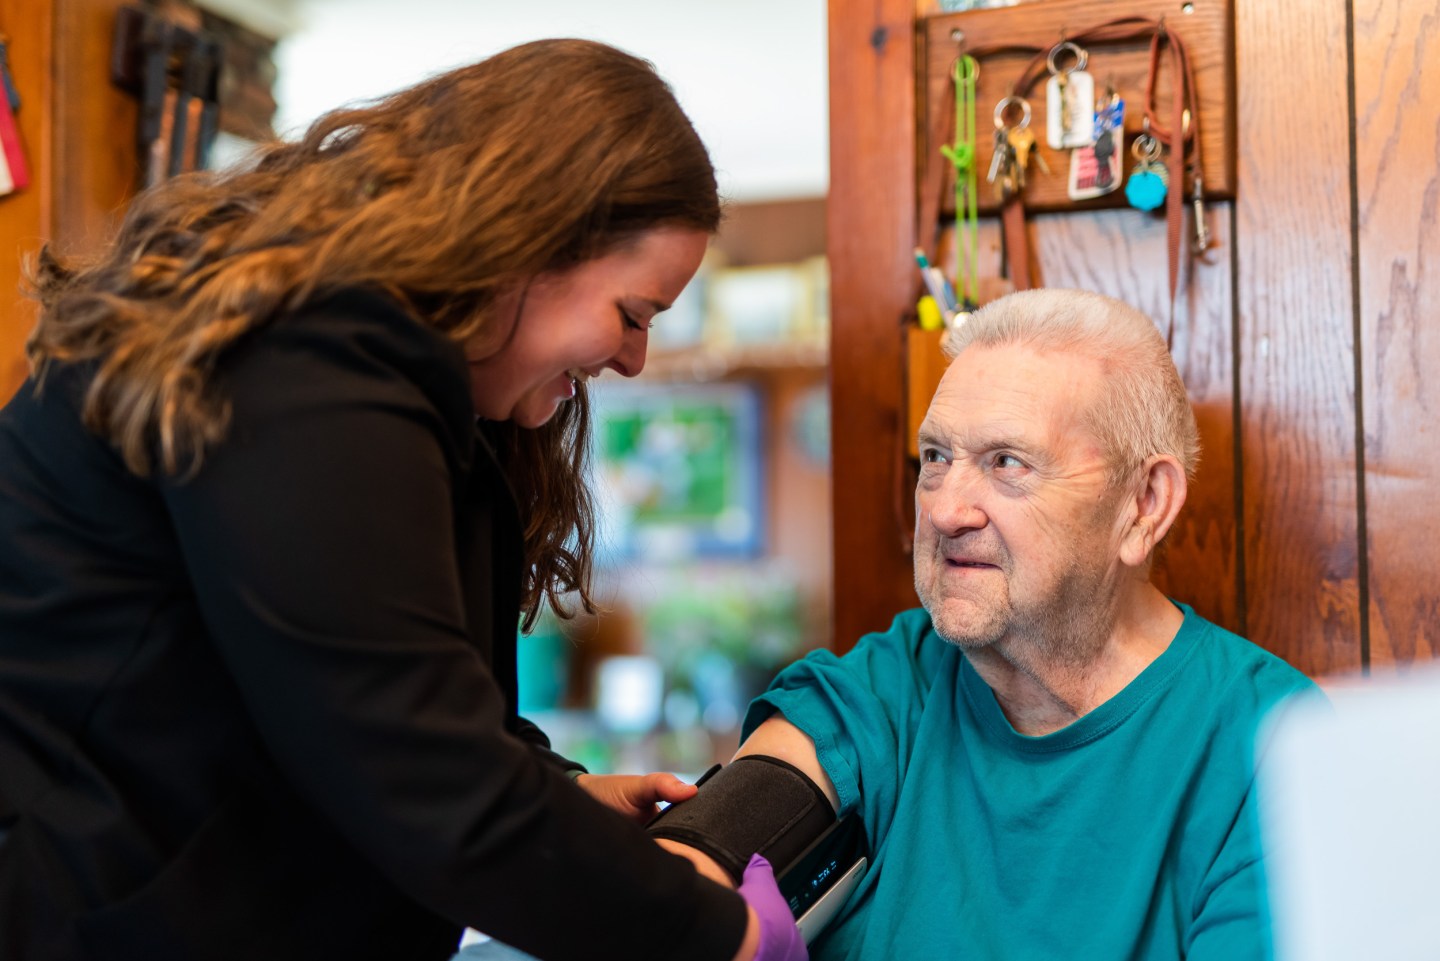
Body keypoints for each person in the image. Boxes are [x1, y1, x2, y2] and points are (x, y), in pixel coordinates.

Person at [0, 39, 803, 961]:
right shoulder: (303, 357)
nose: (634, 360)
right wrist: (713, 933)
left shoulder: (406, 392)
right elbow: (418, 766)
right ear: (533, 237)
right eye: (633, 313)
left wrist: (556, 794)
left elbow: (383, 682)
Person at [697, 289, 1317, 959]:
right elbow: (704, 851)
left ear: (1144, 504)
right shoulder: (891, 685)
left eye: (1006, 462)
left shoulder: (1275, 747)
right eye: (935, 457)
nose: (944, 510)